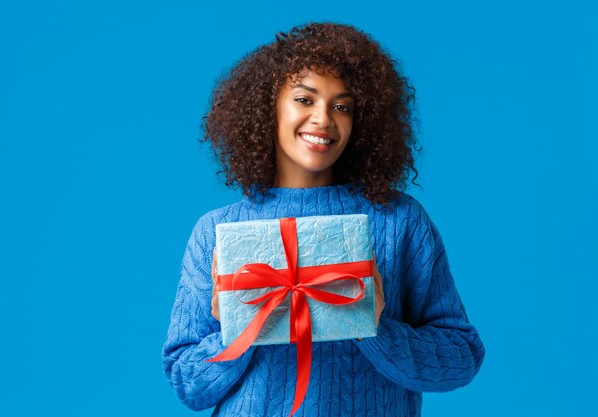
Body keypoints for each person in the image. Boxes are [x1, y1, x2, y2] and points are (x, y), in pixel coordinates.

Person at [162, 22, 485, 417]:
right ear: (268, 107)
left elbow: (461, 359)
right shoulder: (213, 231)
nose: (324, 119)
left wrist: (375, 326)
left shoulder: (401, 221)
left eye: (342, 106)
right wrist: (236, 330)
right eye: (304, 99)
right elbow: (188, 385)